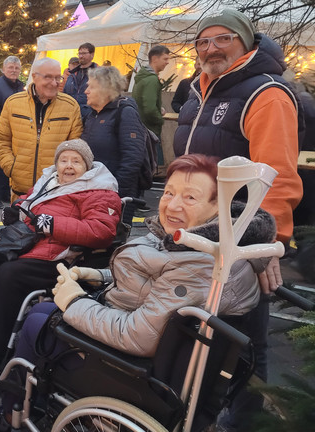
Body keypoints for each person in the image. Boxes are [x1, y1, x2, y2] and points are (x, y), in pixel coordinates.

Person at [0, 154, 271, 429]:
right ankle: (25, 400)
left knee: (37, 320)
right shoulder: (201, 242)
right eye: (168, 192)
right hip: (139, 339)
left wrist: (74, 301)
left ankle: (10, 412)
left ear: (219, 207)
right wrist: (99, 274)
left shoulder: (201, 262)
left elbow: (138, 336)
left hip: (132, 372)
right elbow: (155, 281)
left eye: (190, 197)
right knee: (44, 310)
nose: (172, 205)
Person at [173, 9, 304, 430]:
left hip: (243, 234)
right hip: (203, 230)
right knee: (205, 325)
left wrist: (271, 246)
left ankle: (245, 421)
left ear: (246, 42)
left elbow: (278, 176)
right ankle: (196, 410)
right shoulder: (202, 91)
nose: (210, 48)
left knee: (247, 340)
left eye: (222, 39)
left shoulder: (264, 93)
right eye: (203, 42)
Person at [0, 140, 121, 375]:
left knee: (10, 274)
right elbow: (28, 199)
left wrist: (53, 224)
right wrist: (17, 208)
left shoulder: (98, 190)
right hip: (30, 245)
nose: (69, 166)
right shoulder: (50, 180)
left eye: (76, 161)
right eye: (64, 160)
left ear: (87, 166)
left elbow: (102, 231)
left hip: (62, 257)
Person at [0, 57, 83, 200]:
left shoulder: (70, 106)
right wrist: (12, 168)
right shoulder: (13, 103)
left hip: (55, 192)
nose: (54, 83)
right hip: (20, 192)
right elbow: (0, 139)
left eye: (58, 77)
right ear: (34, 77)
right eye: (48, 77)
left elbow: (76, 147)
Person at [81, 66, 147, 200]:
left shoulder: (125, 113)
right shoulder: (92, 116)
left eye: (91, 87)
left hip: (116, 195)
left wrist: (116, 191)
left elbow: (133, 158)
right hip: (93, 191)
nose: (85, 91)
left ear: (107, 89)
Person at [0, 56, 25, 209]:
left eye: (16, 68)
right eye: (11, 68)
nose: (14, 70)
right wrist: (6, 125)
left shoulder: (20, 87)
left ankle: (5, 194)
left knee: (10, 166)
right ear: (4, 69)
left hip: (16, 135)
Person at [132, 45, 171, 138]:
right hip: (149, 131)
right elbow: (149, 109)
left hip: (141, 127)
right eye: (165, 59)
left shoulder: (143, 77)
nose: (167, 62)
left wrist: (158, 108)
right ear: (154, 59)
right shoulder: (151, 80)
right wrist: (160, 120)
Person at [63, 42, 98, 118]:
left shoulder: (98, 74)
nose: (81, 56)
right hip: (70, 115)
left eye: (84, 53)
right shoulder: (72, 74)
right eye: (79, 53)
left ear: (92, 55)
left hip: (88, 116)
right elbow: (64, 94)